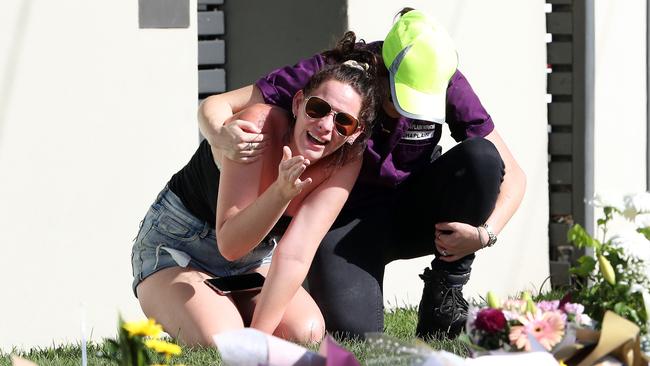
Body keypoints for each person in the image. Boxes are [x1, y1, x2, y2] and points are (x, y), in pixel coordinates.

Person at [199, 9, 526, 339]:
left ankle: (444, 296)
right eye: (401, 99)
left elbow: (513, 174)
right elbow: (219, 105)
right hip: (345, 222)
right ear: (381, 71)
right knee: (356, 333)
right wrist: (218, 134)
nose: (406, 113)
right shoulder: (335, 78)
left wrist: (485, 235)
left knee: (482, 158)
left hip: (414, 211)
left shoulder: (441, 80)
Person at [131, 60, 381, 346]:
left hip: (253, 259)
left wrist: (259, 340)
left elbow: (296, 254)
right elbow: (230, 243)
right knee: (223, 339)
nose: (325, 126)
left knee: (306, 331)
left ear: (356, 133)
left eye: (343, 121)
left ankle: (225, 312)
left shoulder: (345, 161)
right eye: (318, 109)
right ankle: (199, 311)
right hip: (177, 248)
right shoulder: (256, 127)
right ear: (299, 103)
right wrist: (280, 193)